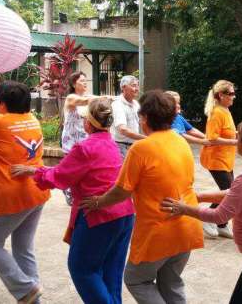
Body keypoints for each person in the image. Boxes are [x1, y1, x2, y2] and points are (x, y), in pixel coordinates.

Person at [80, 90, 204, 304]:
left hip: (158, 231)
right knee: (171, 283)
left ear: (144, 118)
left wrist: (98, 202)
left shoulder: (141, 148)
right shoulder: (180, 141)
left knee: (136, 280)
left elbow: (122, 191)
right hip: (186, 226)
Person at [11, 99, 135, 304]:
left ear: (88, 123)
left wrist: (34, 170)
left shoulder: (84, 148)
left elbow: (59, 177)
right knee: (111, 271)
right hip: (124, 213)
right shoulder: (111, 144)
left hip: (98, 215)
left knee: (82, 269)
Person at [161, 117, 242, 304]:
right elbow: (234, 194)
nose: (236, 140)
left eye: (239, 137)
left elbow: (219, 215)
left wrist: (184, 209)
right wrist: (200, 196)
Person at [0, 81, 50, 304]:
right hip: (37, 193)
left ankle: (26, 288)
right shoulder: (32, 119)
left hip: (12, 198)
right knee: (23, 248)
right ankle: (32, 298)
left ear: (1, 103)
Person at [199, 80, 238, 239]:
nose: (233, 96)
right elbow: (212, 138)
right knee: (229, 193)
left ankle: (221, 224)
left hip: (226, 159)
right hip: (216, 159)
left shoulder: (226, 110)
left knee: (231, 192)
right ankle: (208, 217)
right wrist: (235, 141)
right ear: (221, 95)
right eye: (230, 94)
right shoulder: (216, 113)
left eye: (234, 93)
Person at [61, 72, 98, 206]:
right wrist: (103, 98)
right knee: (71, 169)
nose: (85, 82)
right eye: (81, 80)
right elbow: (84, 101)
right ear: (73, 84)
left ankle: (78, 192)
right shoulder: (71, 98)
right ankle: (67, 189)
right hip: (71, 141)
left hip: (85, 139)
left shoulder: (89, 98)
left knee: (84, 169)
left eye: (85, 80)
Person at [110, 75, 145, 157]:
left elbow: (142, 123)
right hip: (121, 147)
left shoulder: (136, 104)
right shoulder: (118, 104)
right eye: (133, 85)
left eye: (137, 86)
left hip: (134, 145)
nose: (136, 89)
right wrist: (145, 138)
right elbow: (123, 130)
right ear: (123, 87)